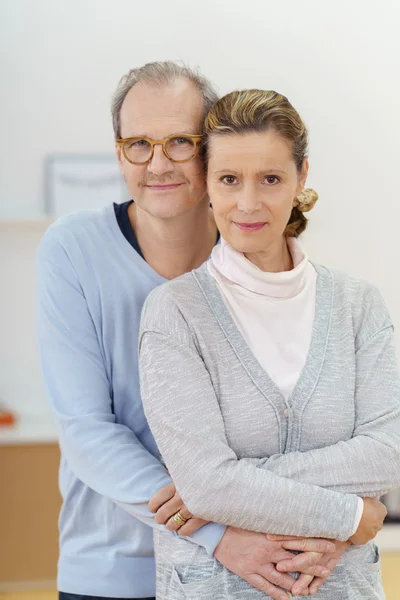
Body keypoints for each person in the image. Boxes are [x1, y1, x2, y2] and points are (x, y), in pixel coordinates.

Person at [36, 63, 343, 600]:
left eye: (181, 141)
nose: (159, 163)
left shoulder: (252, 254)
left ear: (211, 149)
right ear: (118, 151)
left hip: (242, 573)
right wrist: (216, 530)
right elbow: (87, 430)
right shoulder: (72, 250)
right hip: (117, 569)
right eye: (139, 144)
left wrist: (347, 514)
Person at [139, 88, 400, 599]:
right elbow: (207, 486)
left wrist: (229, 486)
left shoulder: (358, 304)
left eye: (272, 179)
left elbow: (386, 456)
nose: (248, 203)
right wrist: (351, 516)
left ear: (302, 178)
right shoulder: (174, 313)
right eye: (230, 179)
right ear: (207, 184)